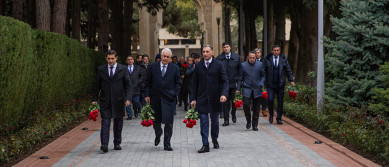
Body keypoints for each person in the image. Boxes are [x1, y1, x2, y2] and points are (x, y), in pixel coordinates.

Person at [191, 45, 228, 153]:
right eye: (203, 51)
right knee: (203, 121)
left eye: (207, 51)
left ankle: (214, 139)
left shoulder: (219, 65)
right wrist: (193, 98)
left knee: (215, 121)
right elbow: (194, 83)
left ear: (212, 52)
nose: (205, 54)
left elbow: (225, 81)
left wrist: (224, 94)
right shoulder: (198, 66)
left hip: (215, 98)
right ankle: (205, 144)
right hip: (202, 98)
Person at [92, 50, 132, 153]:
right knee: (105, 122)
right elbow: (97, 86)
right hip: (105, 100)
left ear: (116, 58)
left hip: (119, 100)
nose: (110, 60)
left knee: (118, 122)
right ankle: (104, 144)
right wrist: (94, 99)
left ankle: (117, 142)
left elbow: (128, 85)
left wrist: (128, 98)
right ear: (106, 58)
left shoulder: (123, 69)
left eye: (112, 58)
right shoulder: (101, 69)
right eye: (109, 58)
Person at [145, 48, 181, 151]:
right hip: (155, 98)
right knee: (156, 121)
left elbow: (178, 83)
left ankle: (167, 143)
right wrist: (147, 95)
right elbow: (147, 82)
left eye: (167, 57)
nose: (165, 58)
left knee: (169, 122)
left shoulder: (175, 68)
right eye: (164, 56)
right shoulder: (152, 67)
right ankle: (158, 133)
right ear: (161, 56)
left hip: (169, 99)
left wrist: (175, 94)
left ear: (170, 58)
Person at [264, 45, 295, 125]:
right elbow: (263, 71)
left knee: (280, 102)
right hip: (270, 84)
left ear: (279, 51)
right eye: (274, 50)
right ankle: (271, 114)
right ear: (272, 51)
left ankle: (279, 118)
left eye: (277, 50)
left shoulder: (283, 59)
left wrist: (291, 80)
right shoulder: (267, 59)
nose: (276, 52)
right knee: (270, 100)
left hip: (280, 84)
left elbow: (288, 70)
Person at [238, 51, 266, 131]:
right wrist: (238, 89)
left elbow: (263, 75)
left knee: (256, 108)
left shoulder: (259, 64)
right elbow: (240, 78)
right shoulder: (243, 65)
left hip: (257, 89)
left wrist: (261, 83)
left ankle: (255, 125)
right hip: (247, 88)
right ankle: (248, 120)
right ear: (248, 57)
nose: (252, 59)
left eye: (253, 58)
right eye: (250, 58)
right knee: (246, 105)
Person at [216, 42, 242, 126]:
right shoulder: (219, 58)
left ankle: (233, 113)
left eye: (227, 47)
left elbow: (240, 74)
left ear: (230, 47)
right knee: (225, 103)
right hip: (224, 84)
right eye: (224, 47)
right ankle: (226, 120)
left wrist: (238, 87)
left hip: (234, 84)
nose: (226, 48)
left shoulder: (237, 58)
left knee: (234, 102)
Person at [125, 56, 146, 120]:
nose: (130, 61)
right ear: (126, 61)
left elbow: (142, 76)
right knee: (127, 103)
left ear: (133, 60)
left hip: (136, 88)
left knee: (136, 102)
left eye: (131, 59)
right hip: (127, 89)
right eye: (128, 60)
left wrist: (138, 82)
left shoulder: (138, 68)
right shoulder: (124, 68)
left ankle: (136, 110)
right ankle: (129, 115)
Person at [254, 48, 268, 117]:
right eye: (256, 53)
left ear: (260, 53)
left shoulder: (264, 61)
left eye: (258, 53)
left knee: (264, 95)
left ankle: (264, 109)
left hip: (263, 80)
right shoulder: (252, 60)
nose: (257, 54)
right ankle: (255, 108)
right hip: (254, 80)